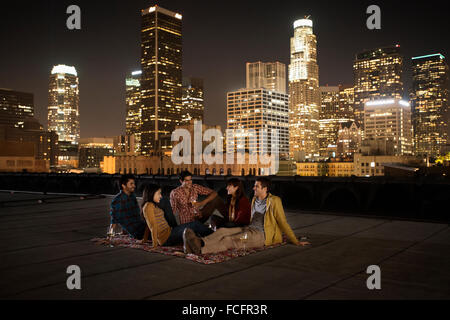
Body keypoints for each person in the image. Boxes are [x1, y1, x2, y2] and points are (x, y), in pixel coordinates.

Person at [183, 177, 310, 254]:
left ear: (265, 189)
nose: (254, 188)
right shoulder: (254, 199)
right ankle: (199, 242)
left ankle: (200, 250)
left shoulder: (275, 201)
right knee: (223, 231)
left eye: (257, 186)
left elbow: (283, 222)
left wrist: (295, 241)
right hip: (248, 228)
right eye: (254, 186)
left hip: (261, 235)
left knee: (230, 240)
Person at [142, 183, 213, 247]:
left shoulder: (152, 205)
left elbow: (148, 224)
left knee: (193, 230)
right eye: (159, 193)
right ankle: (215, 236)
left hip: (169, 232)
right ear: (151, 193)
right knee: (195, 225)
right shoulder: (148, 206)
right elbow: (152, 226)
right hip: (166, 238)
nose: (160, 196)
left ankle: (211, 238)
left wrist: (144, 239)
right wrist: (154, 245)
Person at [109, 174, 147, 240]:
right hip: (138, 232)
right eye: (131, 184)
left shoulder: (132, 196)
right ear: (123, 186)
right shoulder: (117, 200)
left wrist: (124, 231)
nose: (134, 186)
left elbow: (135, 214)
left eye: (134, 184)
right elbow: (114, 220)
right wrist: (109, 235)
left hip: (142, 226)